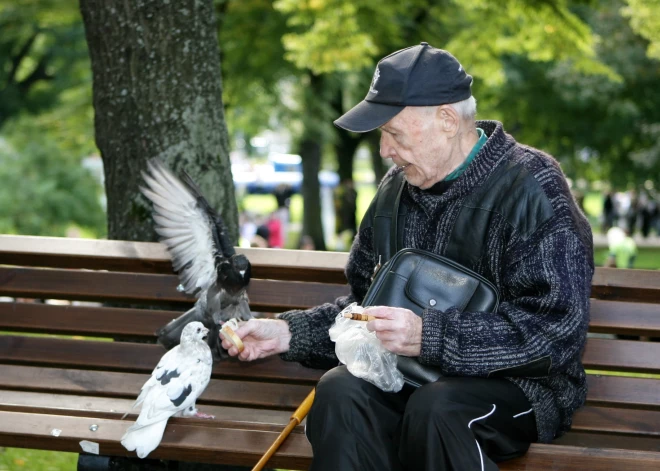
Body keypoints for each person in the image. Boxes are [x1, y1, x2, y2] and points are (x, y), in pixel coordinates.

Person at [222, 43, 594, 471]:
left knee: (439, 409)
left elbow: (556, 332)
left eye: (394, 133)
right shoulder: (394, 190)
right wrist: (288, 333)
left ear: (448, 121)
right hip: (406, 376)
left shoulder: (532, 187)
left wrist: (431, 337)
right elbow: (365, 309)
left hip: (520, 389)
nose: (383, 150)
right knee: (340, 392)